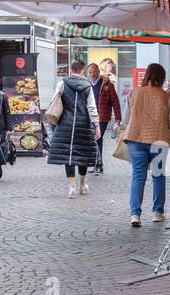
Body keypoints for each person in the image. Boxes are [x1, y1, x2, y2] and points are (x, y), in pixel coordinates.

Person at [123, 62, 170, 227]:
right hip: (159, 139)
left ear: (147, 75)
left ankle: (135, 215)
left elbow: (125, 119)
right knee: (158, 176)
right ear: (162, 77)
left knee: (138, 176)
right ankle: (158, 212)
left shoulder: (134, 93)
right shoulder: (166, 96)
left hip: (135, 139)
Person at [48, 58, 100, 199]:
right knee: (82, 154)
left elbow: (54, 102)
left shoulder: (62, 83)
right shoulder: (88, 86)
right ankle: (82, 184)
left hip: (65, 123)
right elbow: (92, 108)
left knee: (69, 155)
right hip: (83, 124)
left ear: (71, 70)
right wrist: (97, 125)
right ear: (83, 70)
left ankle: (72, 187)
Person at [93, 63, 121, 175]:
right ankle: (97, 163)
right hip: (90, 117)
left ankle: (98, 164)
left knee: (98, 138)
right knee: (94, 139)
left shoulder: (107, 84)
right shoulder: (87, 84)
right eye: (90, 72)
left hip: (103, 117)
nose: (93, 73)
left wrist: (118, 118)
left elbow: (115, 102)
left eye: (95, 71)